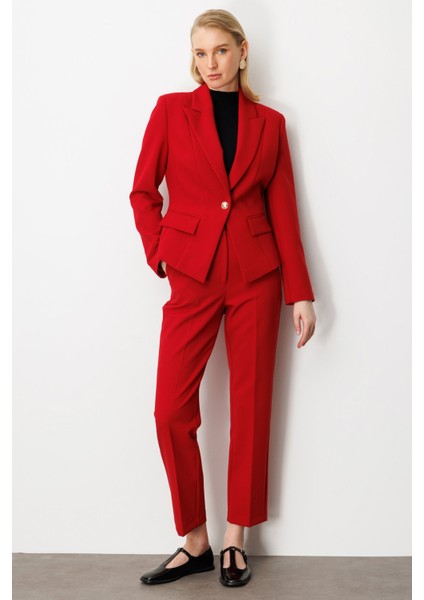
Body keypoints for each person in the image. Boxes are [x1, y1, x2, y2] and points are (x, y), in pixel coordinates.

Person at [129, 8, 316, 588]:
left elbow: (284, 211)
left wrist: (300, 293)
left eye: (220, 51)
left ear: (242, 50)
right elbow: (142, 191)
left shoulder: (271, 124)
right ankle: (195, 541)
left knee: (250, 409)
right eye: (200, 53)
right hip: (192, 273)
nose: (210, 64)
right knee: (170, 411)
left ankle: (236, 538)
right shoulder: (170, 110)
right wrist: (160, 253)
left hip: (257, 276)